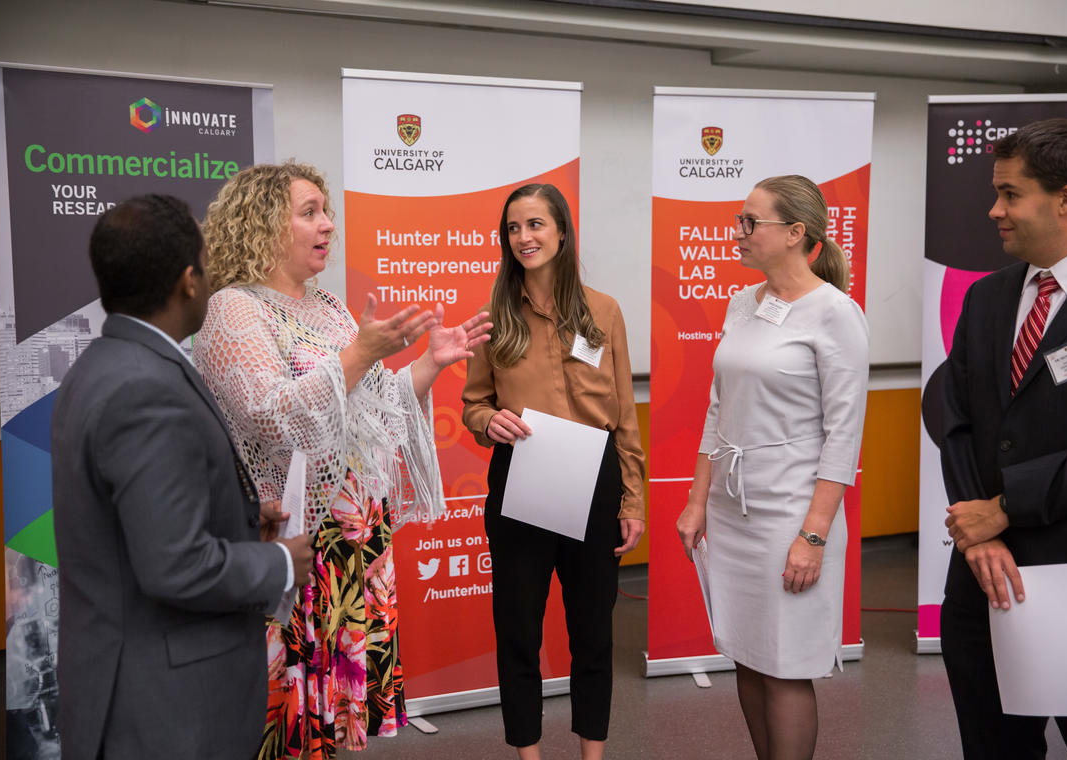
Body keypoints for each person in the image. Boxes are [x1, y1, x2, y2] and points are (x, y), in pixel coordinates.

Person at [192, 162, 491, 758]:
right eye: (310, 213)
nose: (328, 224)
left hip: (354, 542)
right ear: (262, 226)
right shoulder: (233, 310)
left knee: (329, 724)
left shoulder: (327, 306)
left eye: (327, 211)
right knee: (288, 720)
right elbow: (271, 417)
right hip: (297, 543)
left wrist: (430, 363)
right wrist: (360, 353)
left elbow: (369, 409)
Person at [51, 194, 314, 760]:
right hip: (166, 708)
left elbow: (134, 521)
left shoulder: (101, 366)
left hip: (132, 685)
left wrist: (241, 516)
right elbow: (176, 565)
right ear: (189, 281)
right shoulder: (146, 389)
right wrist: (277, 562)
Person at [675, 175, 869, 760]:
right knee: (750, 654)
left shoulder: (835, 313)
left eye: (749, 222)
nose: (738, 233)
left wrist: (813, 535)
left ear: (794, 233)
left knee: (785, 665)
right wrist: (697, 499)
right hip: (734, 510)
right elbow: (718, 407)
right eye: (740, 220)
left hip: (790, 512)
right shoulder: (743, 303)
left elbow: (845, 436)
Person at [940, 118, 1067, 759]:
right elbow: (952, 415)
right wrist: (976, 531)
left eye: (1010, 194)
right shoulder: (986, 298)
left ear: (1065, 198)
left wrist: (1004, 510)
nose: (994, 209)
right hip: (982, 584)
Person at [461, 183, 646, 760]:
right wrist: (487, 420)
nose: (524, 238)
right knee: (519, 631)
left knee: (593, 633)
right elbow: (472, 403)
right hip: (524, 478)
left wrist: (633, 499)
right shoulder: (495, 317)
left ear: (562, 231)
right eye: (514, 228)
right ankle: (529, 754)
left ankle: (592, 753)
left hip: (595, 481)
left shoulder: (605, 310)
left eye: (536, 225)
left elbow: (624, 414)